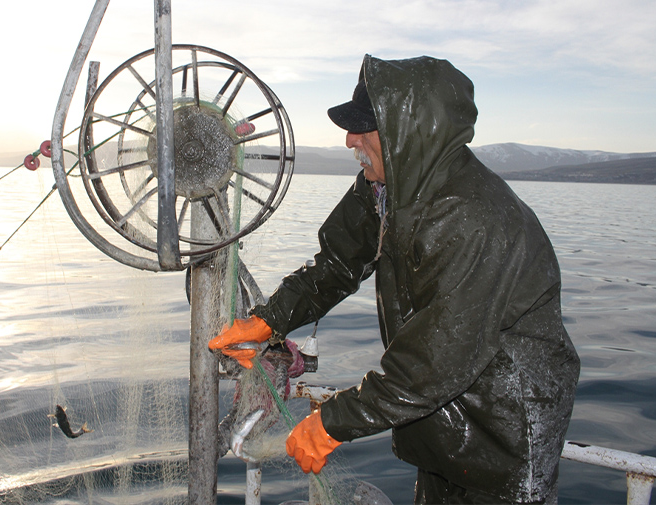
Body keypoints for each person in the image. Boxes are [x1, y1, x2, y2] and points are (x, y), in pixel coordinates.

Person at [209, 54, 581, 504]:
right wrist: (269, 320)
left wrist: (331, 422)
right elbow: (336, 263)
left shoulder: (474, 219)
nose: (349, 139)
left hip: (502, 437)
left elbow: (435, 359)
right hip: (442, 428)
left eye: (364, 127)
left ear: (409, 135)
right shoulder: (386, 187)